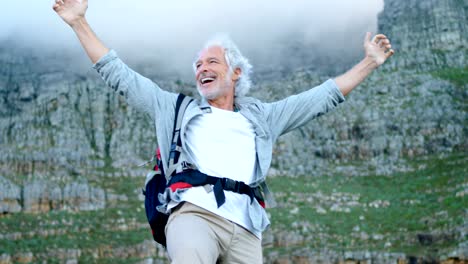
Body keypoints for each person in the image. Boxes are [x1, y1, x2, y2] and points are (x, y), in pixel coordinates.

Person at [53, 0, 394, 263]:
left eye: (212, 62)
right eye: (198, 65)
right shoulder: (175, 109)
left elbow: (322, 98)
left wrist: (369, 62)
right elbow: (119, 74)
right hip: (193, 214)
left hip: (246, 227)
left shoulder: (262, 118)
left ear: (235, 72)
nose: (202, 68)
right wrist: (79, 22)